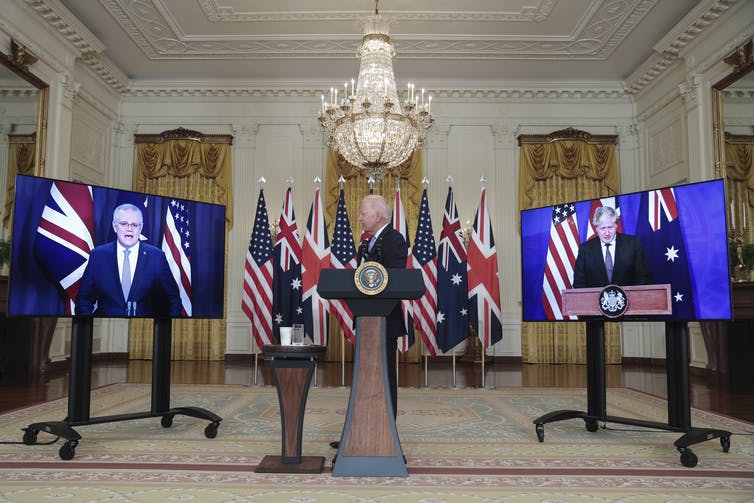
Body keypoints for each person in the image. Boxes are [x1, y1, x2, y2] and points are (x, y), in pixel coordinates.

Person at [330, 194, 408, 450]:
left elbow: (392, 280)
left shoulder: (394, 239)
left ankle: (387, 434)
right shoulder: (367, 242)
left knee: (384, 378)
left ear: (379, 215)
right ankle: (359, 430)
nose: (360, 217)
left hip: (384, 321)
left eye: (364, 213)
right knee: (364, 378)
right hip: (367, 320)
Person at [75, 203, 182, 317]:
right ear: (114, 226)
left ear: (140, 228)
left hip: (143, 329)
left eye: (135, 225)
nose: (129, 229)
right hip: (105, 328)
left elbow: (173, 301)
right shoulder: (98, 256)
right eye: (124, 224)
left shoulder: (156, 257)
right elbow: (83, 301)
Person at [572, 205, 652, 288]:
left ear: (616, 226)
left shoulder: (632, 244)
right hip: (595, 300)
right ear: (596, 229)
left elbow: (643, 279)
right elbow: (579, 284)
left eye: (610, 227)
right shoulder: (585, 249)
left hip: (629, 300)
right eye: (603, 228)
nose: (607, 233)